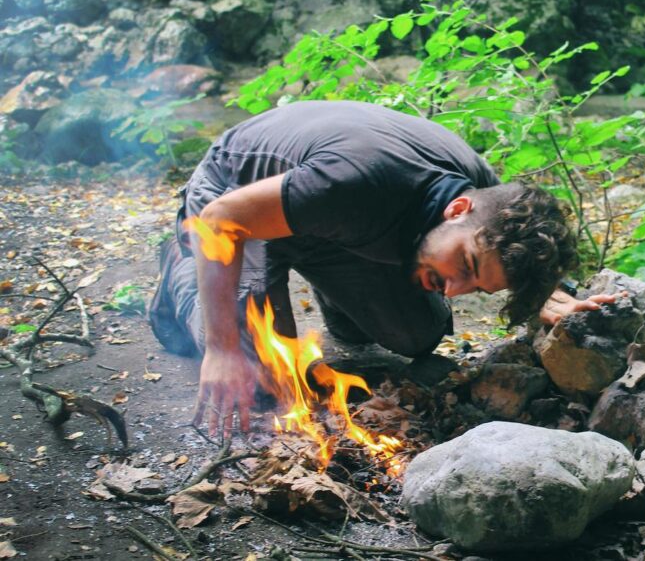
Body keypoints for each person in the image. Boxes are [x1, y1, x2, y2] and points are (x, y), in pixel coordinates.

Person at [150, 100, 612, 439]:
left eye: (477, 286)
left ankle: (332, 286)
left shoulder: (488, 207)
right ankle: (181, 273)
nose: (453, 290)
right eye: (466, 266)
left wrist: (548, 294)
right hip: (236, 203)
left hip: (326, 222)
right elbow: (221, 221)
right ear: (456, 209)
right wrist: (222, 347)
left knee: (416, 334)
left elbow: (517, 247)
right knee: (262, 377)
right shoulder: (355, 182)